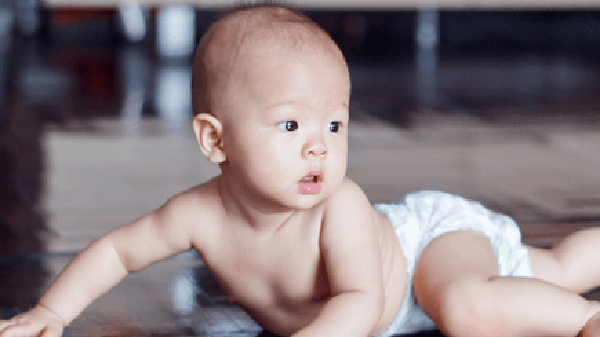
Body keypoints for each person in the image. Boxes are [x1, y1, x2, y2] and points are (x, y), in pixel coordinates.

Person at [2, 5, 600, 337]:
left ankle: (587, 324)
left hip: (427, 246)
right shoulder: (197, 214)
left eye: (334, 126)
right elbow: (117, 253)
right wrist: (52, 312)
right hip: (414, 281)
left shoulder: (339, 205)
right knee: (553, 268)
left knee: (471, 310)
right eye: (291, 127)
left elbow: (360, 304)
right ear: (215, 139)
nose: (320, 148)